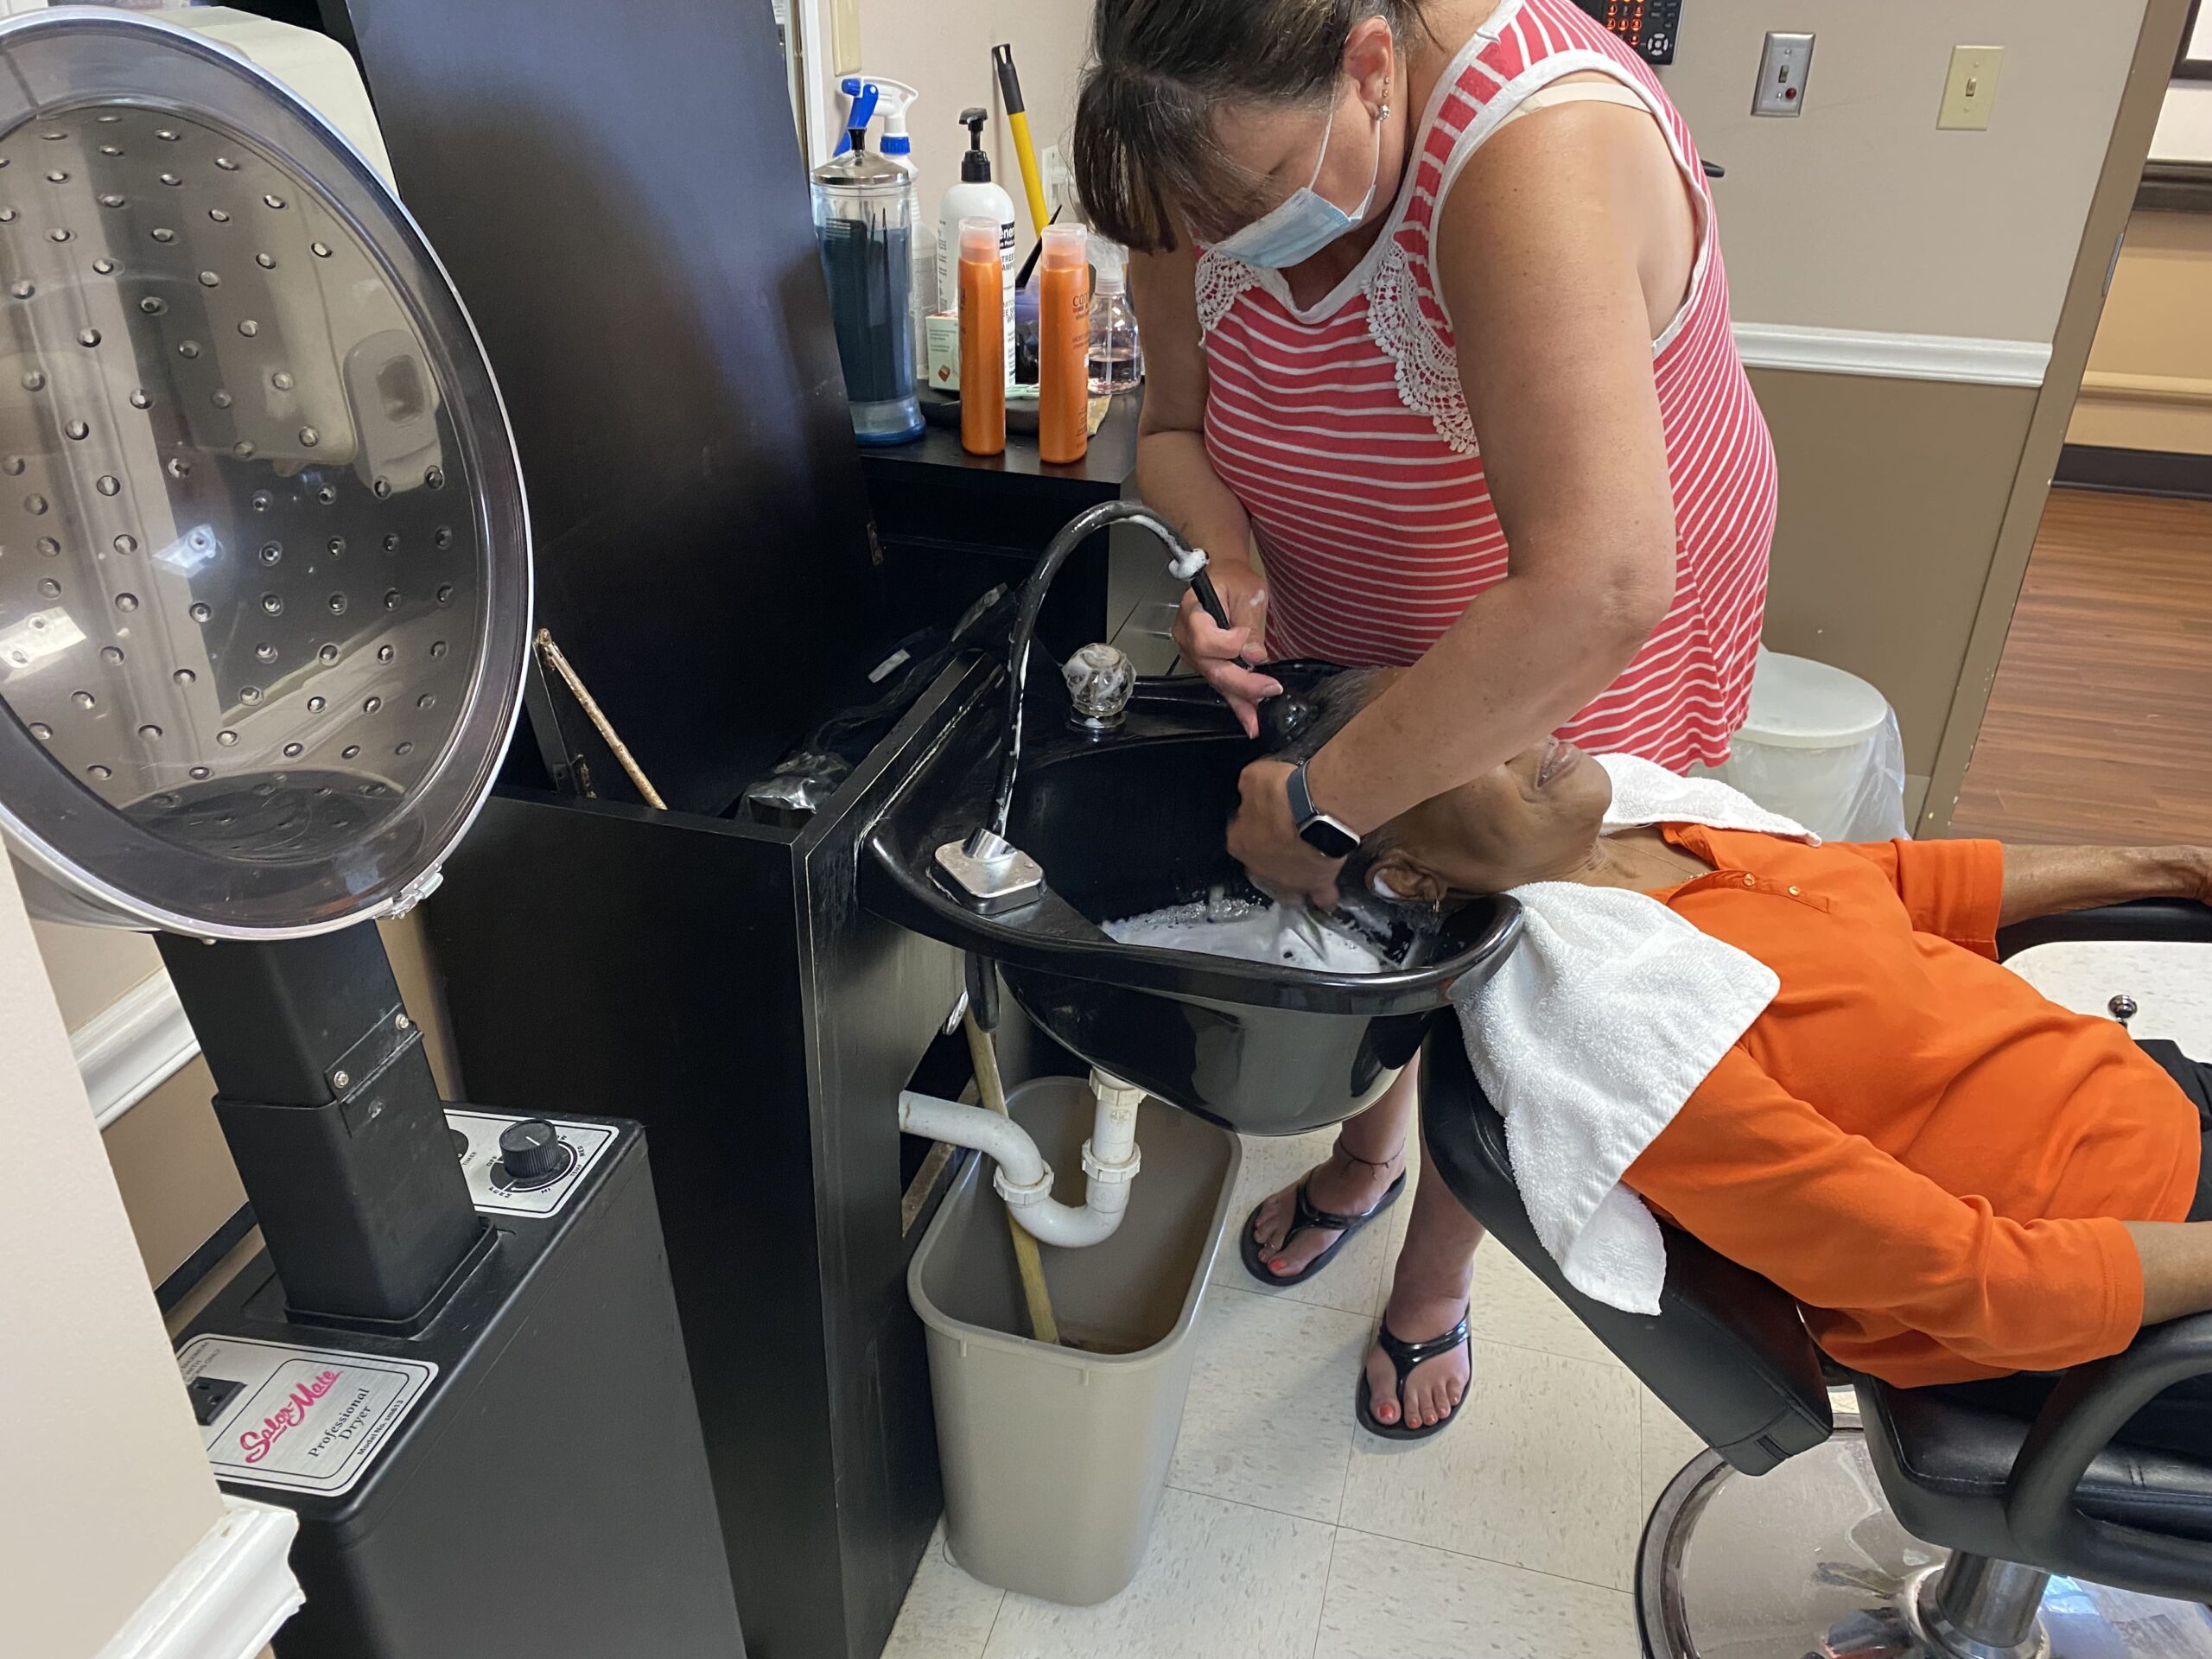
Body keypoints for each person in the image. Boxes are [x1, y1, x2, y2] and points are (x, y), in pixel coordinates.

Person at [1073, 0, 1777, 1433]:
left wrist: (1324, 801)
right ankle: (1367, 1146)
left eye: (1254, 209)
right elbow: (1171, 432)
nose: (1222, 252)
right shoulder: (1178, 140)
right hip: (1364, 586)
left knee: (1499, 942)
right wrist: (1233, 561)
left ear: (1374, 72)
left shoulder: (1531, 143)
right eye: (1193, 229)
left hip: (1576, 606)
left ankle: (1436, 1280)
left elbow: (1595, 581)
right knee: (1387, 898)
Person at [1281, 668, 2212, 1449]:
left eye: (1490, 700)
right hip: (2119, 1314)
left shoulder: (1657, 826)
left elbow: (1881, 884)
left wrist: (2167, 866)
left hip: (2151, 1106)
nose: (1524, 727)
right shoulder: (1631, 1038)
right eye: (1464, 747)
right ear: (1409, 876)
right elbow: (1982, 1281)